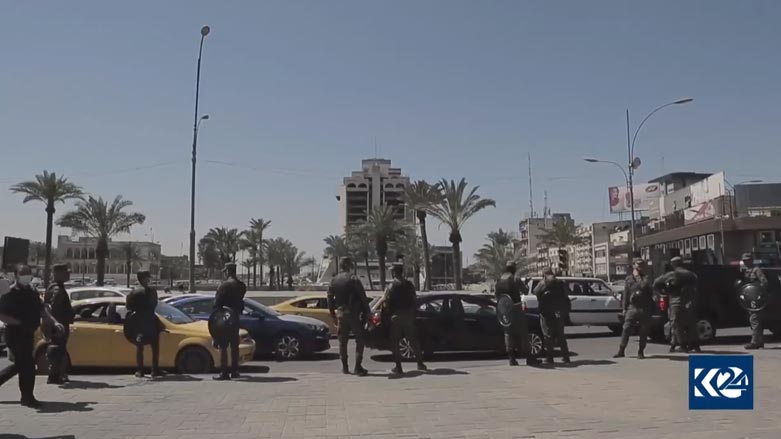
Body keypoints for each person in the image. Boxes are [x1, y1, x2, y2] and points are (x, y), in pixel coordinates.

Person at [0, 265, 63, 408]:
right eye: (23, 273)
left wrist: (54, 322)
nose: (26, 276)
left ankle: (27, 397)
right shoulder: (9, 293)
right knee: (27, 365)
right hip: (15, 333)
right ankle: (28, 398)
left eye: (28, 273)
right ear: (16, 275)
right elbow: (2, 314)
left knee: (21, 365)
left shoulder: (32, 292)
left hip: (28, 333)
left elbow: (42, 311)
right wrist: (18, 322)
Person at [327, 257, 370, 376]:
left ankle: (345, 367)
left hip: (340, 314)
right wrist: (368, 311)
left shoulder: (333, 280)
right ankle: (357, 366)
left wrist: (332, 315)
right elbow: (363, 297)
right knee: (360, 339)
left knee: (342, 341)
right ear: (348, 265)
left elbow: (329, 299)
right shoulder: (353, 278)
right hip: (353, 313)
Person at [383, 263, 426, 374]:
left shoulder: (391, 286)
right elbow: (414, 300)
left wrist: (387, 315)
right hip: (408, 317)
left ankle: (398, 367)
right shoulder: (409, 285)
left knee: (395, 342)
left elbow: (386, 303)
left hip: (396, 317)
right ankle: (420, 363)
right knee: (414, 341)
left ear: (394, 272)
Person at [495, 261, 540, 366]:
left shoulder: (499, 280)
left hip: (505, 310)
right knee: (523, 334)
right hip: (516, 308)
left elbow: (497, 296)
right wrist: (527, 284)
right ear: (514, 268)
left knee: (508, 334)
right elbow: (525, 291)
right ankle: (529, 359)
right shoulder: (515, 279)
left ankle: (511, 359)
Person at [654, 256, 699, 353]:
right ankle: (695, 345)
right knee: (690, 323)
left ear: (673, 264)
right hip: (689, 301)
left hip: (676, 301)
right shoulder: (691, 274)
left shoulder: (671, 275)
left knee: (676, 324)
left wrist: (663, 292)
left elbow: (656, 283)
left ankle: (682, 345)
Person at [126, 270, 165, 378]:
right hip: (151, 321)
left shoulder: (133, 292)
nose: (149, 279)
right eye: (148, 278)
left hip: (138, 323)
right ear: (145, 279)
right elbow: (154, 304)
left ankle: (140, 370)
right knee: (155, 347)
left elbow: (128, 307)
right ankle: (154, 370)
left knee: (140, 347)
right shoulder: (152, 291)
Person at [614, 258, 653, 359]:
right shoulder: (628, 279)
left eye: (641, 264)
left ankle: (641, 351)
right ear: (633, 265)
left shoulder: (647, 277)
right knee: (626, 328)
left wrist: (637, 276)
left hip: (644, 307)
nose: (640, 266)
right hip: (632, 307)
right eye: (638, 264)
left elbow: (644, 286)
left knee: (643, 330)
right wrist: (623, 308)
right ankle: (621, 350)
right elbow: (626, 294)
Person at [213, 263, 246, 380]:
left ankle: (224, 373)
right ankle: (235, 371)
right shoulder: (242, 286)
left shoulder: (224, 286)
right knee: (234, 346)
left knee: (223, 346)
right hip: (235, 318)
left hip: (225, 318)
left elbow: (216, 304)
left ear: (227, 271)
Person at [43, 264, 75, 384]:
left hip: (57, 325)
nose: (68, 274)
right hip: (59, 325)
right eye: (65, 272)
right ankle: (54, 376)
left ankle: (56, 375)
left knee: (59, 349)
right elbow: (55, 309)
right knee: (57, 349)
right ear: (57, 273)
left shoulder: (55, 287)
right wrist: (58, 323)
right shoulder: (57, 289)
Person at [533, 267, 571, 365]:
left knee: (547, 335)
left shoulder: (543, 283)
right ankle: (566, 357)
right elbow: (567, 294)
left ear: (544, 274)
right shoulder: (560, 282)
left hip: (546, 312)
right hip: (559, 312)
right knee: (560, 334)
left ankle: (549, 358)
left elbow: (535, 292)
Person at [741, 253, 768, 350]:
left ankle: (755, 342)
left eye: (747, 260)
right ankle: (759, 341)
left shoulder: (757, 270)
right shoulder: (747, 271)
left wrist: (758, 292)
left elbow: (764, 282)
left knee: (754, 320)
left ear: (752, 260)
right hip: (750, 299)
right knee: (754, 320)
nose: (746, 262)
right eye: (744, 260)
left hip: (756, 299)